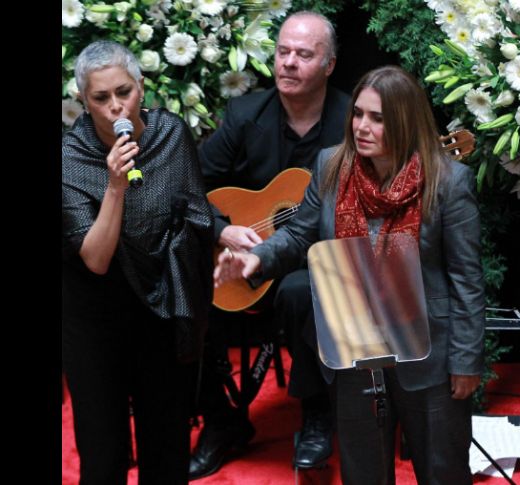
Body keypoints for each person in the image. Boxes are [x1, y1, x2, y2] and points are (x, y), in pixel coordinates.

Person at [214, 65, 485, 484]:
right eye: (358, 114)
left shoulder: (448, 182)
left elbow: (467, 279)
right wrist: (258, 259)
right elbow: (301, 232)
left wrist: (466, 361)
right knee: (362, 473)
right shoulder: (330, 166)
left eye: (377, 118)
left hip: (430, 353)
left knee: (443, 471)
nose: (362, 126)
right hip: (354, 348)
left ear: (404, 121)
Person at [190, 11, 349, 478]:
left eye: (304, 54)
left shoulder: (351, 122)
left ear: (330, 64)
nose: (289, 63)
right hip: (243, 257)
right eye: (283, 52)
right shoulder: (245, 115)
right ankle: (221, 420)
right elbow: (187, 183)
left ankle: (316, 413)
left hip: (317, 260)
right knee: (180, 283)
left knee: (302, 289)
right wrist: (222, 229)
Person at [62, 41, 214, 484]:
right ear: (83, 103)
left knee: (167, 449)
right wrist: (114, 187)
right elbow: (94, 258)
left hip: (161, 309)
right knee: (104, 454)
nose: (115, 108)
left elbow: (197, 216)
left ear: (141, 89)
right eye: (101, 98)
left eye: (123, 92)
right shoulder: (70, 158)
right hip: (95, 319)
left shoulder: (172, 135)